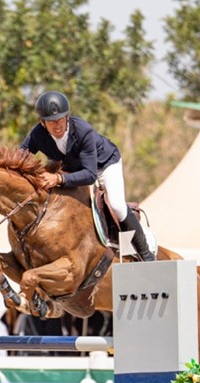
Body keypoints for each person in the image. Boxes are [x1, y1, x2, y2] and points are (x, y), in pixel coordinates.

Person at [20, 90, 155, 262]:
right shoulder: (37, 134)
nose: (57, 125)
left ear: (67, 117)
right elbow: (20, 157)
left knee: (117, 205)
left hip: (104, 164)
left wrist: (58, 179)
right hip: (73, 168)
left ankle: (146, 254)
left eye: (61, 119)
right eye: (51, 122)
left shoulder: (83, 131)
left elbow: (90, 175)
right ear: (42, 123)